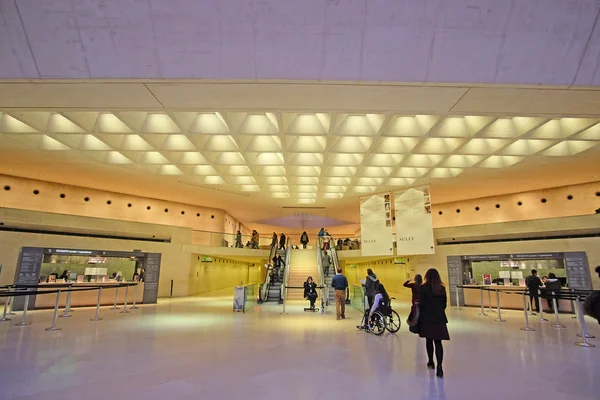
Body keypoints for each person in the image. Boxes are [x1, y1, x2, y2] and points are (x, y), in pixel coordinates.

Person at [419, 268, 450, 378]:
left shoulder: (423, 288)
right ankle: (440, 367)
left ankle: (431, 361)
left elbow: (421, 304)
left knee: (429, 340)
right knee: (438, 342)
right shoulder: (441, 288)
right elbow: (444, 304)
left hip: (428, 318)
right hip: (439, 318)